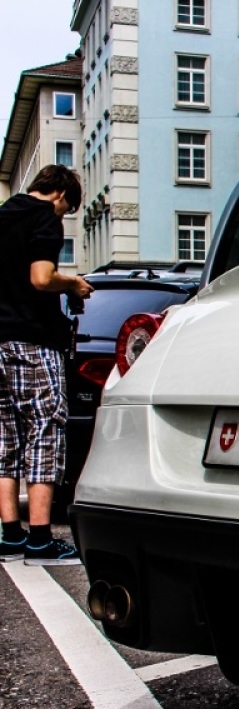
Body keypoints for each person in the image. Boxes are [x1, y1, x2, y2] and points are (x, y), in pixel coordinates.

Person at [0, 165, 93, 564]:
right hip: (33, 340)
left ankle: (9, 536)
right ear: (60, 194)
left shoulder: (3, 214)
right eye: (67, 209)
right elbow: (41, 278)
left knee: (5, 438)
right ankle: (40, 540)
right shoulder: (43, 217)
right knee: (44, 429)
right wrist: (72, 283)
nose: (63, 216)